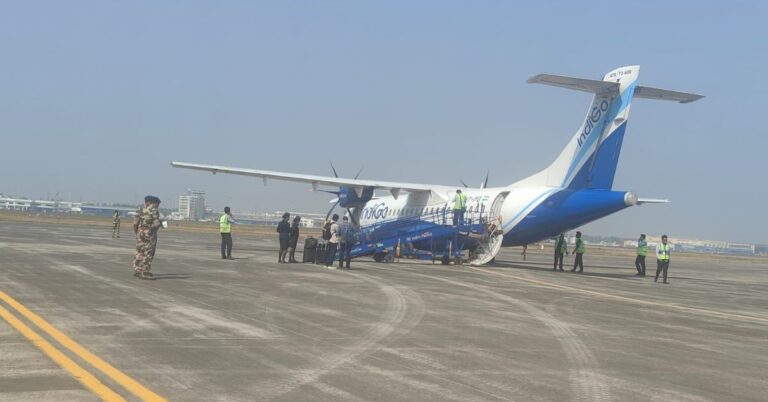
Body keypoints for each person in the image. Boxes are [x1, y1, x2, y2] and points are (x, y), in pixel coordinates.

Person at [132, 196, 163, 279]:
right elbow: (156, 224)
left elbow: (135, 223)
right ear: (154, 203)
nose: (158, 206)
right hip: (150, 234)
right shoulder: (154, 210)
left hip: (140, 233)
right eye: (157, 204)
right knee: (148, 253)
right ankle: (145, 272)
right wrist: (161, 223)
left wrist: (137, 233)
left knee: (139, 251)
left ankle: (138, 270)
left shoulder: (140, 209)